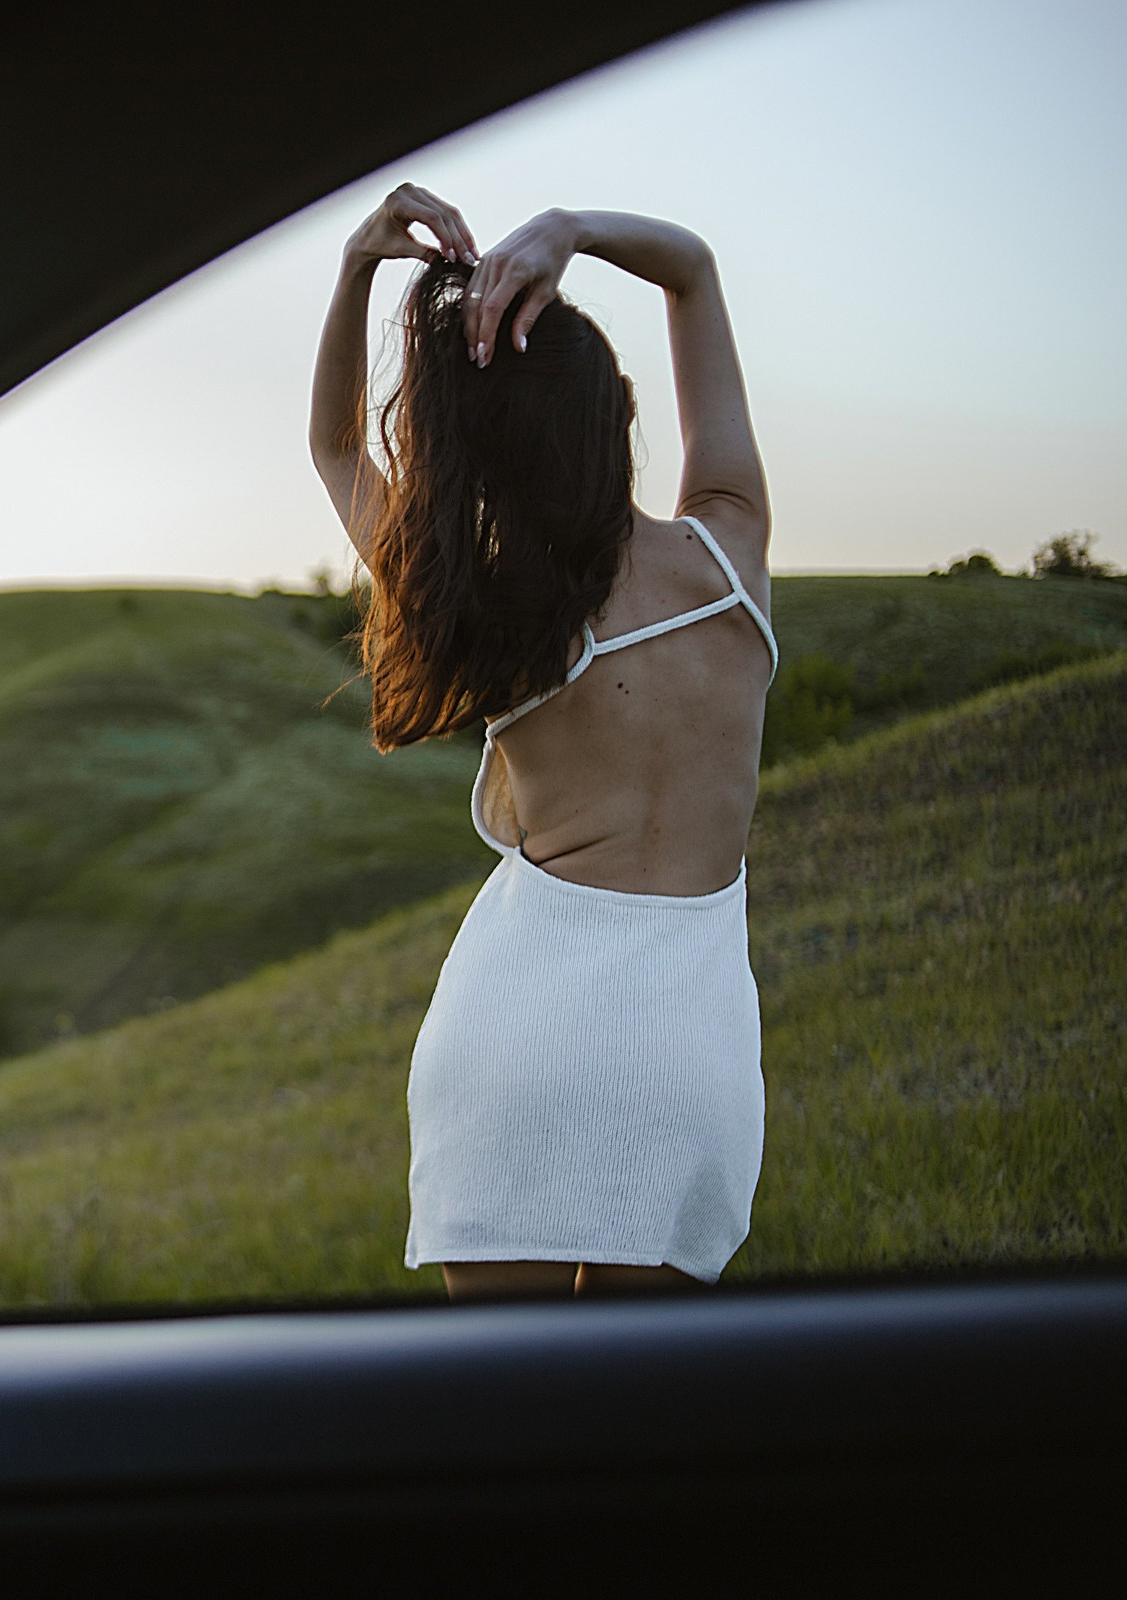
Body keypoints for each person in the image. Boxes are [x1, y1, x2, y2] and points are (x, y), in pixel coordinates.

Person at [309, 186, 775, 1302]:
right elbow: (695, 268)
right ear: (617, 407)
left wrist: (356, 266)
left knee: (507, 1414)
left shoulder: (494, 611)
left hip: (515, 1037)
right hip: (690, 1050)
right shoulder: (729, 559)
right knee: (648, 1432)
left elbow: (332, 445)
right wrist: (571, 229)